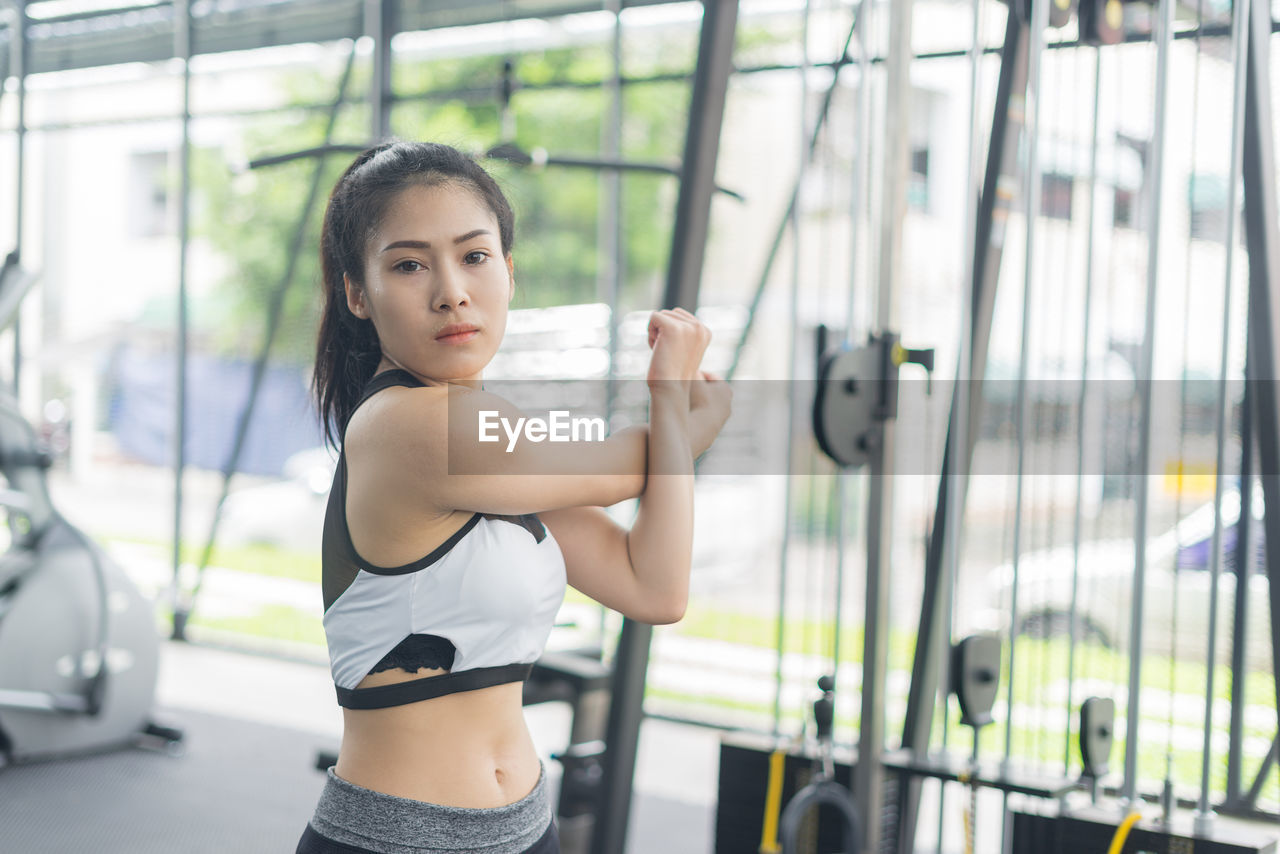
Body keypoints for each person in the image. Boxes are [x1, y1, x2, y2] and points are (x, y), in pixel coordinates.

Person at [296, 140, 731, 854]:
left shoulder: (495, 437)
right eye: (409, 265)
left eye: (474, 256)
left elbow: (653, 588)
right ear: (356, 293)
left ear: (508, 270)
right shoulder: (406, 426)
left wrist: (676, 429)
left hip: (526, 830)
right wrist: (674, 412)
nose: (451, 292)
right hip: (397, 842)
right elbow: (627, 465)